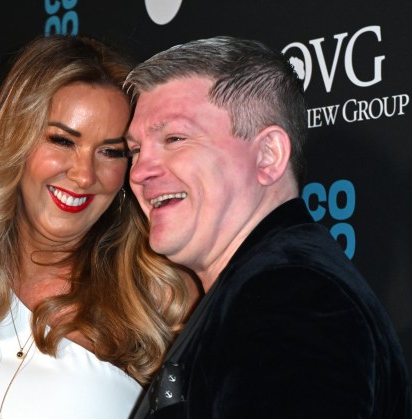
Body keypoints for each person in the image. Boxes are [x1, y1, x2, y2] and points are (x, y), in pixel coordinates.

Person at [0, 35, 196, 419]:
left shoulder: (158, 297)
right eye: (62, 140)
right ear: (14, 140)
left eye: (110, 151)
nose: (84, 175)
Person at [124, 35, 411, 418]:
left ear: (268, 156)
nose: (140, 171)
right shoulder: (265, 286)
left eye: (174, 138)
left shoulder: (292, 296)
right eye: (135, 150)